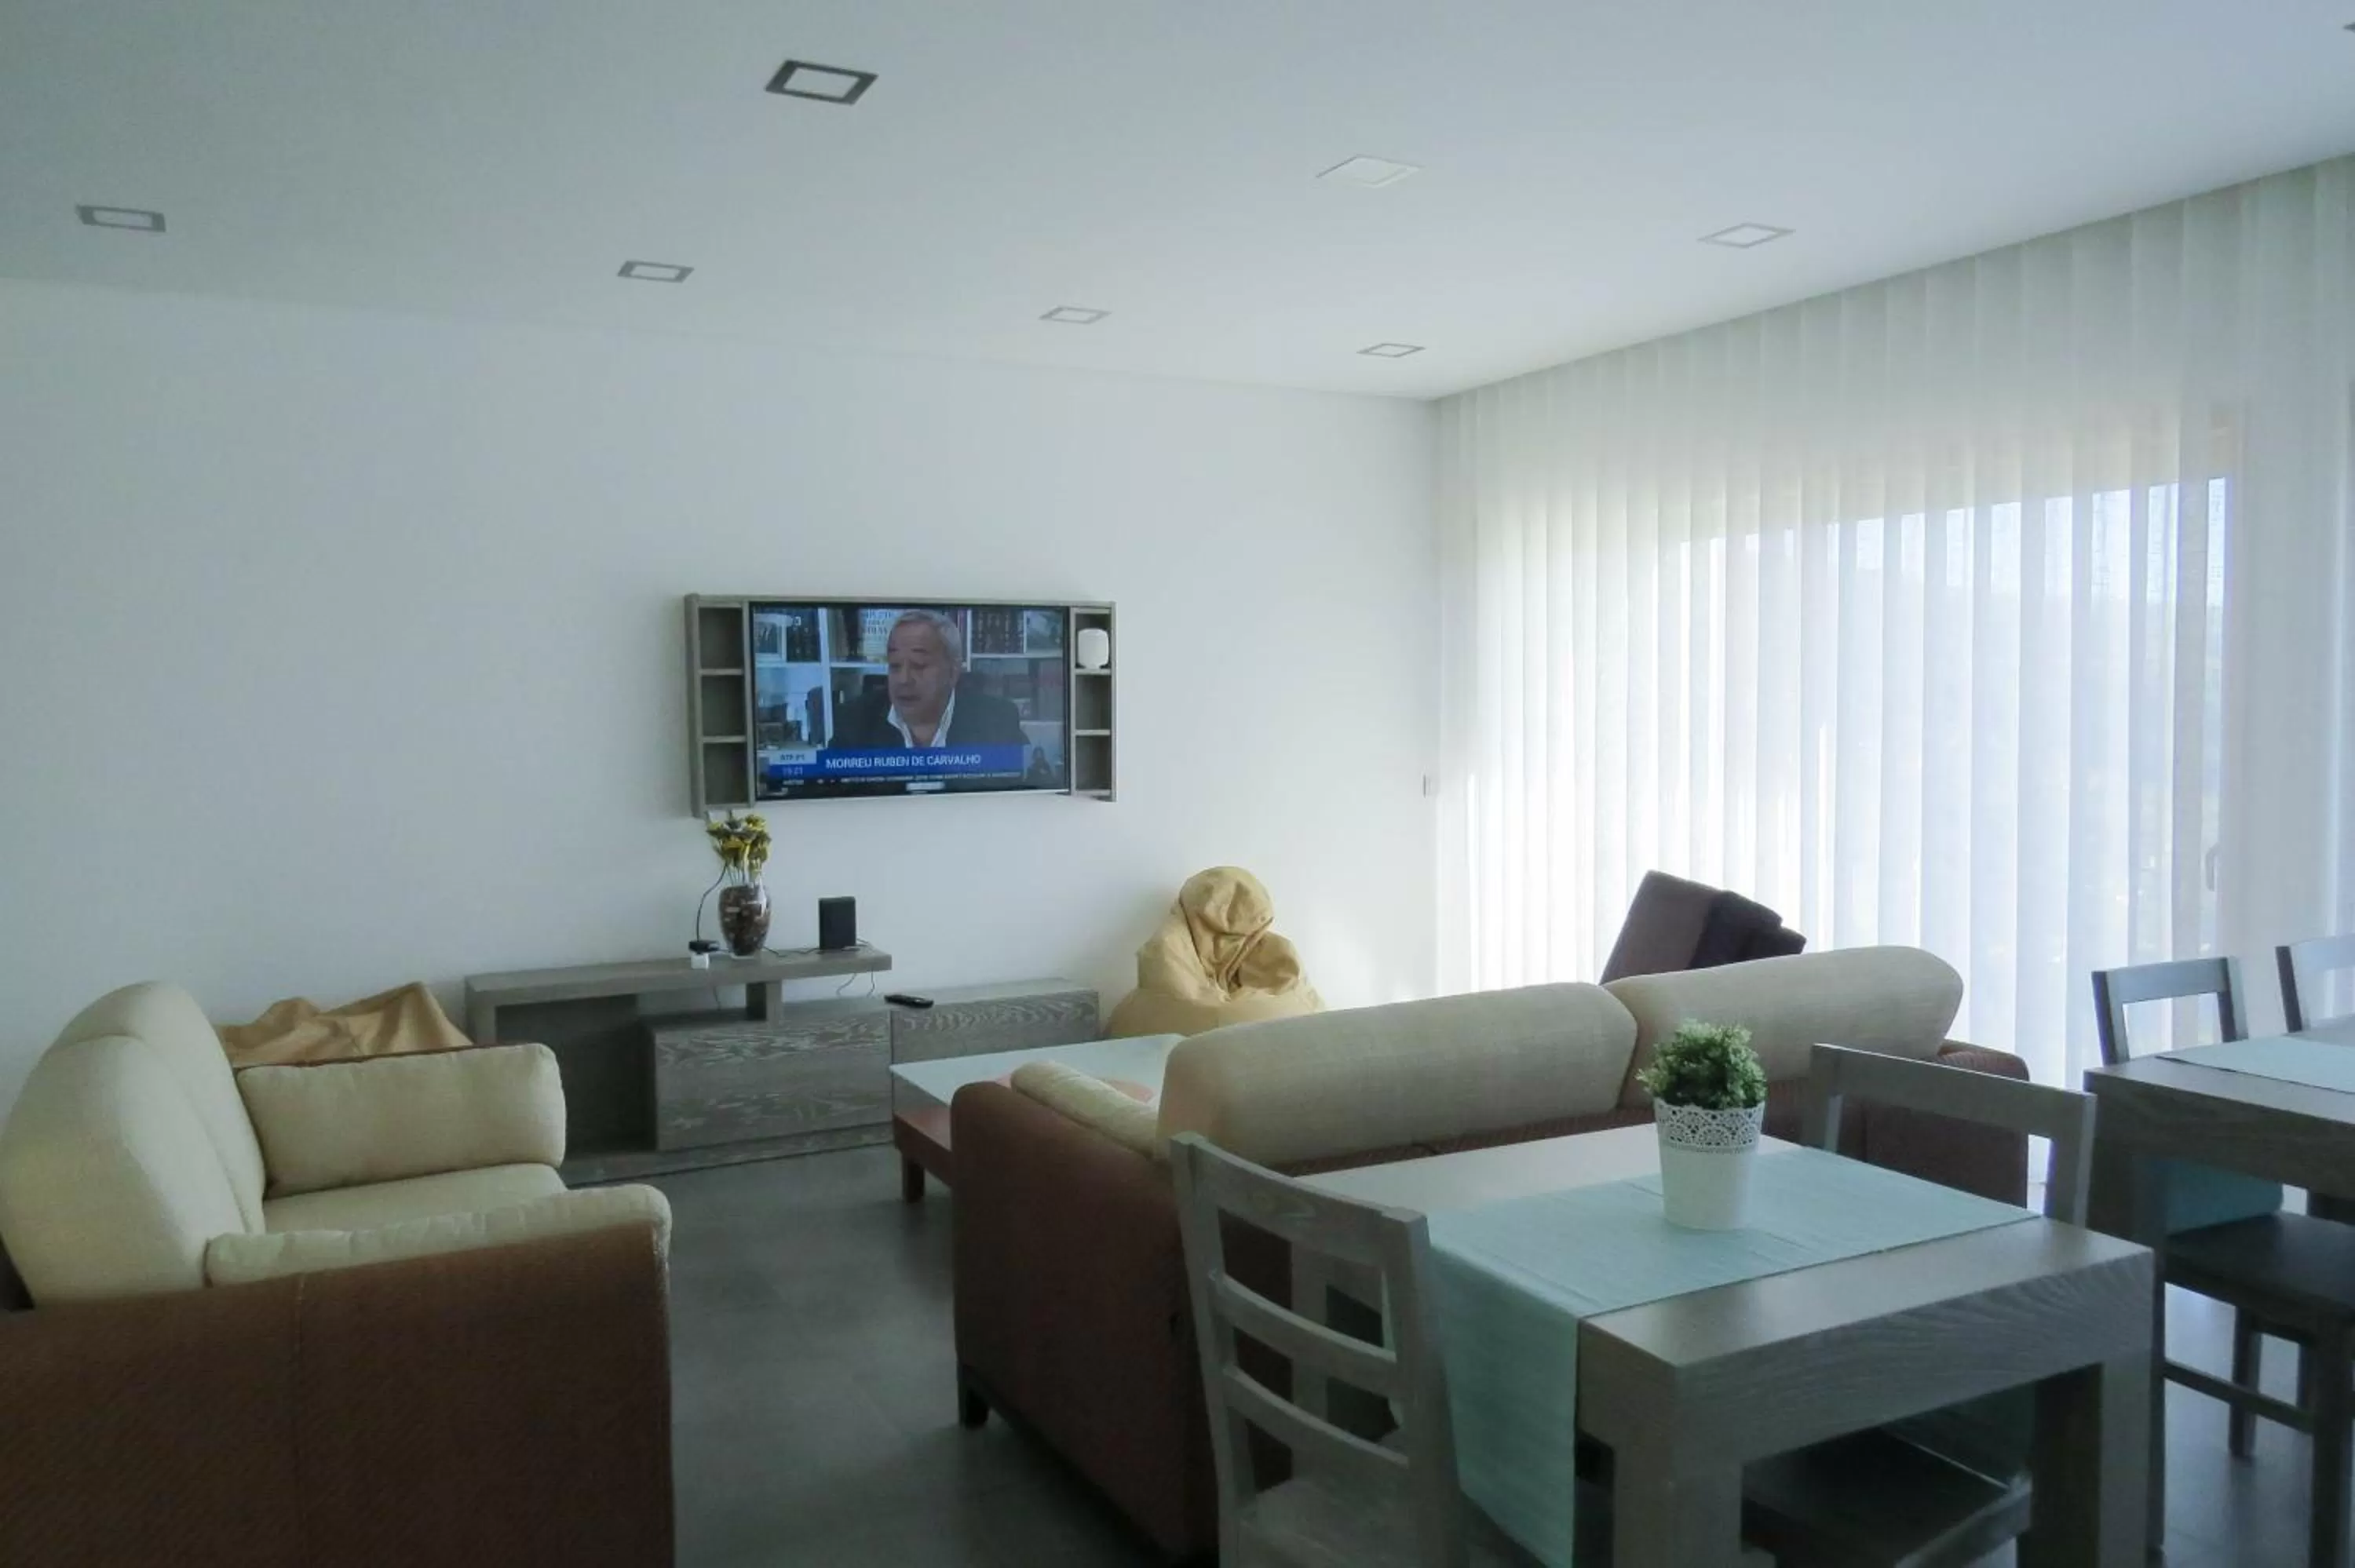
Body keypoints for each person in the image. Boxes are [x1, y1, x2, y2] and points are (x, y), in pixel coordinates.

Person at [829, 609, 1030, 755]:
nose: (904, 680)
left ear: (952, 672)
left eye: (918, 666)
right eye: (895, 666)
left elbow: (1023, 785)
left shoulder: (997, 720)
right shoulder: (852, 722)